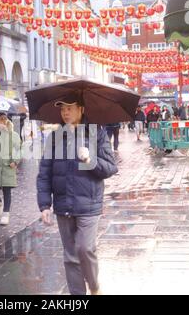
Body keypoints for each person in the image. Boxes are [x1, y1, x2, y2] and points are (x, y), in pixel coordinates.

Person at [37, 98, 118, 295]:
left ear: (81, 109)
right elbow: (44, 172)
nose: (65, 113)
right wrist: (45, 205)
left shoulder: (96, 133)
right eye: (63, 109)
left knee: (84, 248)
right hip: (63, 204)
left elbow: (110, 167)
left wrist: (90, 160)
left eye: (70, 108)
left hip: (89, 203)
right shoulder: (55, 137)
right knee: (71, 256)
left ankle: (94, 285)